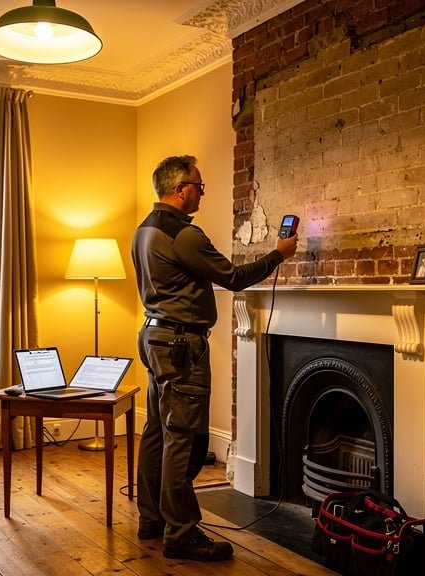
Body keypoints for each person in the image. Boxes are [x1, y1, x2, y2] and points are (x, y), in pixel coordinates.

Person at [131, 155, 298, 562]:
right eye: (199, 186)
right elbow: (234, 278)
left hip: (154, 337)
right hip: (180, 346)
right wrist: (278, 253)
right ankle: (182, 533)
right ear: (179, 188)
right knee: (181, 441)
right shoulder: (183, 235)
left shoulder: (143, 231)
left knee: (157, 432)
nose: (201, 192)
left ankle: (151, 518)